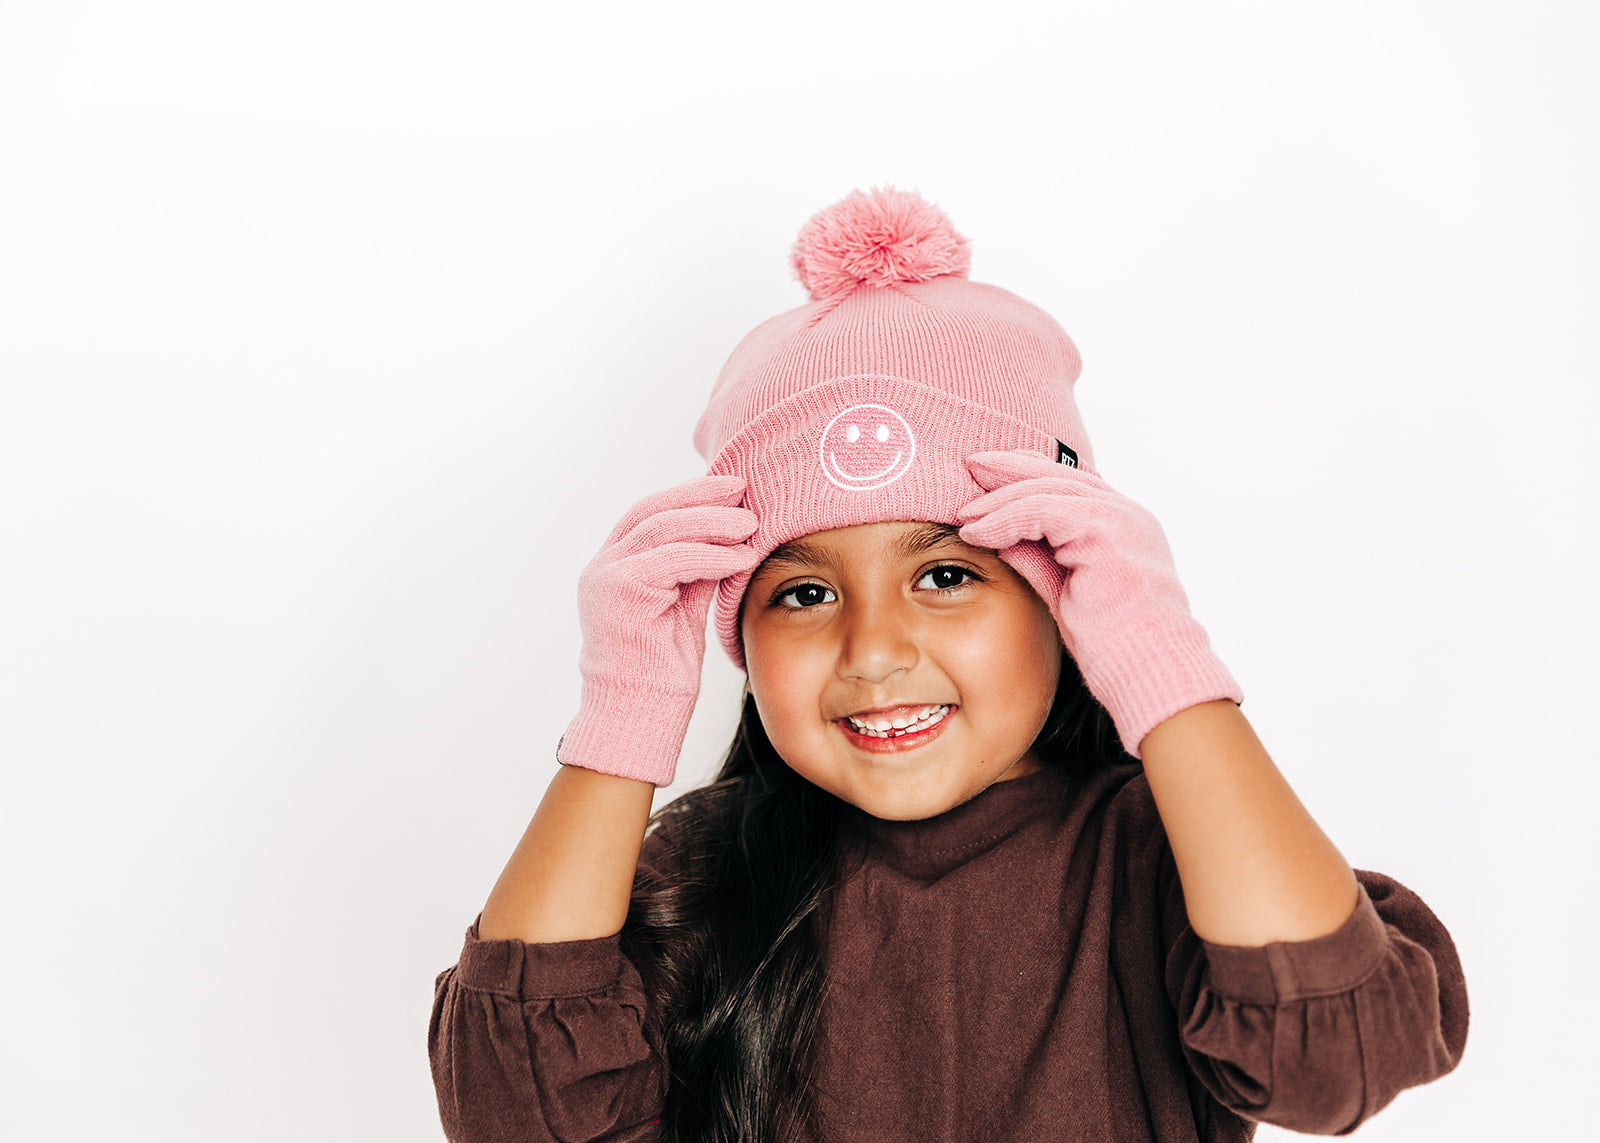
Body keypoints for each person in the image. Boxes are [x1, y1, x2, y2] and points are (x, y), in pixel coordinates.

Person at [428, 187, 1469, 1142]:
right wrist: (626, 710)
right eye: (803, 593)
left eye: (946, 576)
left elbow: (1339, 1059)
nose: (874, 652)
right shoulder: (704, 874)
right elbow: (510, 1112)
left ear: (1060, 592)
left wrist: (1158, 659)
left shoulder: (1159, 852)